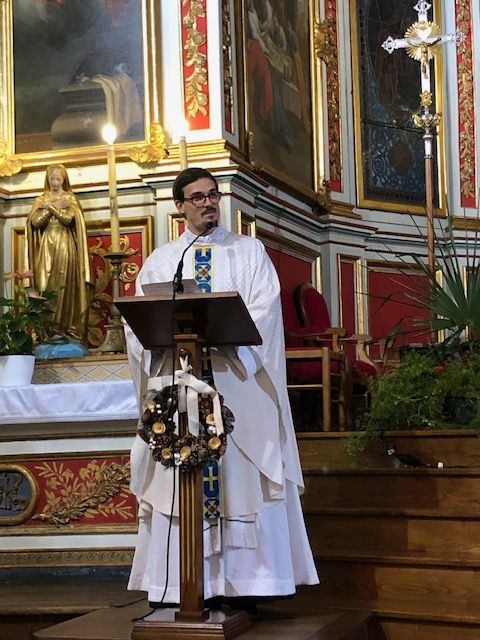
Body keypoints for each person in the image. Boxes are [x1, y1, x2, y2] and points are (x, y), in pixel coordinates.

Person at [125, 167, 319, 606]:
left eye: (212, 195)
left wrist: (232, 347)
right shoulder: (161, 260)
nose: (208, 203)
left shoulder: (249, 253)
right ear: (180, 206)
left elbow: (265, 313)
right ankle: (181, 585)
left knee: (240, 474)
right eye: (197, 197)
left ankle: (249, 584)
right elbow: (137, 324)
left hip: (236, 382)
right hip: (181, 387)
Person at [26, 164, 93, 345]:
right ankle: (47, 333)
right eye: (51, 179)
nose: (54, 182)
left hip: (65, 245)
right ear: (47, 180)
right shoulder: (41, 199)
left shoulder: (70, 198)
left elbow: (69, 218)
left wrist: (52, 208)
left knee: (65, 285)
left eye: (58, 179)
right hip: (46, 247)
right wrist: (51, 207)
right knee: (45, 285)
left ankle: (65, 329)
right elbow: (36, 222)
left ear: (64, 179)